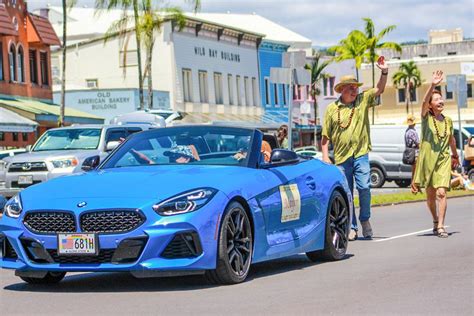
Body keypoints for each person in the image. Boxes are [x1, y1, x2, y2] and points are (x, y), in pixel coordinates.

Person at [321, 55, 389, 241]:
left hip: (360, 153)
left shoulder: (362, 100)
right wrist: (326, 157)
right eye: (350, 88)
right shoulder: (331, 110)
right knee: (347, 193)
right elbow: (325, 137)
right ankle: (352, 226)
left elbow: (379, 89)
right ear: (341, 90)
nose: (354, 90)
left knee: (365, 187)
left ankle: (365, 220)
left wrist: (384, 71)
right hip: (342, 157)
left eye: (355, 87)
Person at [412, 70, 460, 238]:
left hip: (443, 159)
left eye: (441, 98)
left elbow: (451, 139)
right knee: (431, 194)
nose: (441, 101)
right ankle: (434, 219)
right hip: (428, 161)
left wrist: (455, 155)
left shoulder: (448, 121)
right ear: (431, 105)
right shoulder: (426, 118)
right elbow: (423, 103)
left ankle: (440, 226)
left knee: (441, 192)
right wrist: (432, 85)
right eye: (437, 99)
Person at [404, 114, 420, 180]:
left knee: (414, 170)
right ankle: (414, 184)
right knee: (415, 170)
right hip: (415, 152)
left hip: (410, 152)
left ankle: (414, 184)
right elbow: (417, 142)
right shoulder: (412, 132)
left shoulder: (407, 131)